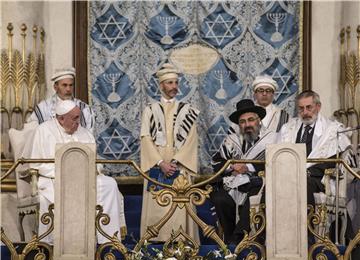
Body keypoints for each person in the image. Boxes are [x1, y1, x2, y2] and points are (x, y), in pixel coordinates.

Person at [30, 99, 126, 244]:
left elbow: (95, 161)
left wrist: (91, 170)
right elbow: (37, 163)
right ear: (61, 119)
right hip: (55, 179)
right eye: (74, 118)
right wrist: (66, 172)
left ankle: (108, 239)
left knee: (109, 184)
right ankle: (55, 243)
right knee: (50, 198)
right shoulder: (43, 130)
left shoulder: (84, 133)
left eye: (79, 117)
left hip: (84, 178)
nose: (78, 122)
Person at [140, 63, 200, 242]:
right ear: (161, 85)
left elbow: (191, 140)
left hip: (179, 166)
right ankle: (155, 239)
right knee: (158, 202)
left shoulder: (187, 110)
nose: (174, 87)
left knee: (179, 206)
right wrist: (160, 163)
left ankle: (181, 238)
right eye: (170, 83)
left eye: (176, 83)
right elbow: (145, 138)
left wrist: (174, 163)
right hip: (157, 165)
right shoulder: (150, 110)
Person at [210, 99, 277, 244]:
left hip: (260, 184)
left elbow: (277, 163)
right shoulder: (232, 140)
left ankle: (240, 239)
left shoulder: (272, 139)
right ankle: (228, 240)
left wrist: (248, 167)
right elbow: (216, 162)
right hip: (234, 186)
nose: (247, 125)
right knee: (219, 198)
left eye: (251, 120)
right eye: (242, 122)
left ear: (259, 121)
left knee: (255, 194)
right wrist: (232, 167)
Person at [278, 90, 352, 208]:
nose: (305, 112)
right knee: (270, 186)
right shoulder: (287, 129)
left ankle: (306, 226)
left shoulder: (333, 130)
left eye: (309, 107)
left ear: (318, 107)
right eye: (301, 109)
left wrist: (308, 172)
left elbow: (339, 159)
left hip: (319, 179)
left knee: (304, 184)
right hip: (289, 177)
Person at [27, 67, 94, 132]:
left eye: (71, 85)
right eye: (64, 85)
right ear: (55, 87)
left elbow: (89, 135)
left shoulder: (84, 108)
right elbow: (33, 133)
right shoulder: (43, 108)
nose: (68, 89)